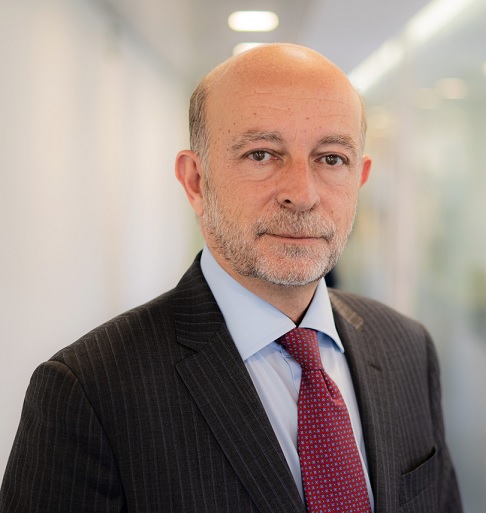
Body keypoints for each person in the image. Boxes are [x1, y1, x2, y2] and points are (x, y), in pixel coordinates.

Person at [0, 44, 462, 513]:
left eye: (331, 159)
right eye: (261, 154)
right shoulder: (89, 391)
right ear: (195, 181)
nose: (302, 194)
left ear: (359, 179)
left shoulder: (407, 348)